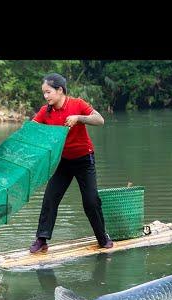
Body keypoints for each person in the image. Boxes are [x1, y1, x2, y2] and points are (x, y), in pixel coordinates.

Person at [29, 73, 113, 254]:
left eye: (48, 92)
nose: (46, 96)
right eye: (44, 93)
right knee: (50, 198)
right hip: (63, 162)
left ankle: (102, 237)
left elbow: (100, 120)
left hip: (84, 160)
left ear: (60, 90)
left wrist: (79, 118)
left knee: (91, 201)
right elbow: (32, 129)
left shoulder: (77, 104)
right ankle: (42, 240)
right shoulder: (46, 111)